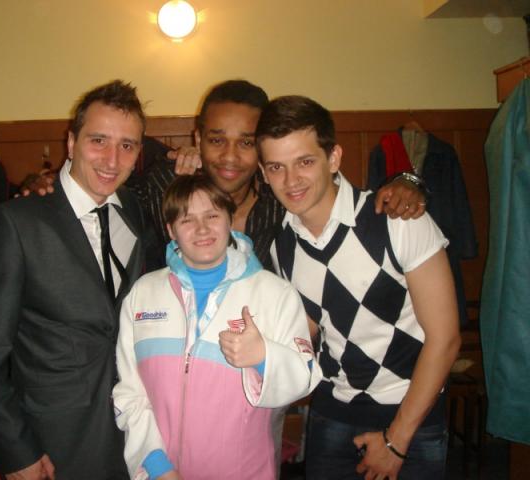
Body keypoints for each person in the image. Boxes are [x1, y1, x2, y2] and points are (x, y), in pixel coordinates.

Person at [256, 95, 461, 479]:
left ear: (333, 158)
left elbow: (445, 339)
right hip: (332, 414)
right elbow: (309, 330)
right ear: (264, 173)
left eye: (305, 162)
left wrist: (396, 441)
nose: (291, 180)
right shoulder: (281, 244)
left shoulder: (398, 220)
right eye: (276, 167)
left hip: (410, 417)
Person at [24, 80, 427, 269]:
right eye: (217, 140)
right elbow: (102, 187)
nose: (230, 157)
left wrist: (406, 182)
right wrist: (44, 185)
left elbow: (332, 191)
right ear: (198, 139)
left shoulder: (283, 197)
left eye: (246, 142)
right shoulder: (164, 185)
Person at [0, 80, 148, 479]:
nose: (112, 159)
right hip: (52, 441)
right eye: (98, 140)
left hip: (134, 433)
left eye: (127, 145)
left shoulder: (134, 210)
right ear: (71, 142)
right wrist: (15, 451)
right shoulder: (16, 224)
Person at [112, 174, 319, 480]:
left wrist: (264, 356)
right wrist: (157, 467)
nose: (202, 229)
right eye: (187, 220)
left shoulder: (275, 294)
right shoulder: (143, 294)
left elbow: (306, 377)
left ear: (229, 220)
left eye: (212, 216)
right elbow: (130, 393)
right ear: (171, 230)